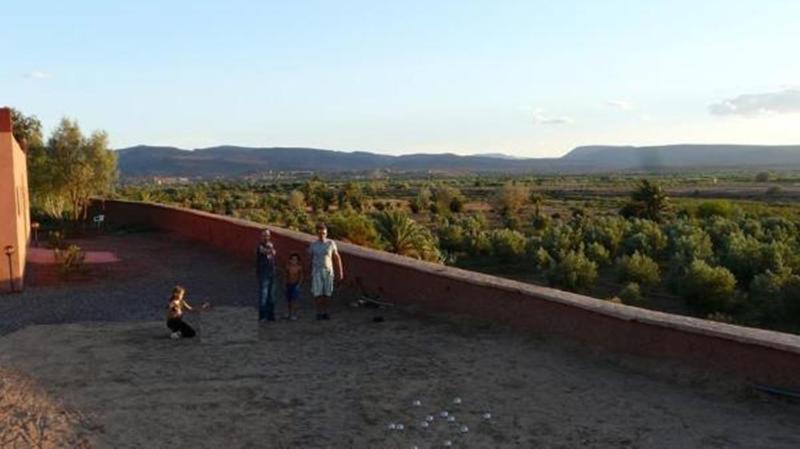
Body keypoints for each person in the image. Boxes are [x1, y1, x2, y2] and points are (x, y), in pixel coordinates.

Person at [308, 222, 344, 320]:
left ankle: (326, 312)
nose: (322, 235)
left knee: (327, 293)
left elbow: (336, 257)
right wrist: (308, 272)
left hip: (328, 271)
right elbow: (310, 258)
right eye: (320, 233)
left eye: (323, 233)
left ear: (326, 233)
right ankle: (319, 312)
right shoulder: (313, 245)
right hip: (317, 271)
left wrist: (340, 272)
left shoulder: (331, 243)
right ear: (317, 233)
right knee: (318, 293)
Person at [256, 229, 277, 321]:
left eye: (267, 235)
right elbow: (265, 251)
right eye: (264, 235)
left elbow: (273, 253)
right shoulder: (260, 246)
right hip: (263, 273)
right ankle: (262, 315)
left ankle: (271, 315)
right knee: (263, 295)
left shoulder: (270, 245)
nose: (266, 237)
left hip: (271, 272)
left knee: (271, 295)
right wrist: (270, 249)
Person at [284, 253, 304, 320]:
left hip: (295, 285)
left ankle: (294, 314)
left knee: (294, 300)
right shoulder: (288, 267)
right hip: (288, 284)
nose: (293, 261)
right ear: (290, 260)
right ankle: (289, 313)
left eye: (295, 259)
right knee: (289, 300)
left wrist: (299, 284)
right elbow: (285, 275)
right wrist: (285, 283)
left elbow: (301, 277)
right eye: (292, 259)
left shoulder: (299, 267)